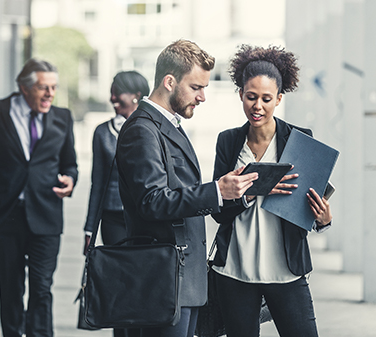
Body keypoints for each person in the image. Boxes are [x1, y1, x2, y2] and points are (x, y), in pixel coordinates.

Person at [116, 39, 259, 337]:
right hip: (164, 280)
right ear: (169, 81)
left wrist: (227, 190)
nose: (203, 97)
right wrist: (217, 192)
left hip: (182, 279)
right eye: (196, 87)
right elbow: (153, 201)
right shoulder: (142, 130)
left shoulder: (166, 125)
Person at [210, 44, 333, 337]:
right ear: (240, 94)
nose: (258, 106)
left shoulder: (300, 140)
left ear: (279, 98)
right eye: (251, 97)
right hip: (235, 271)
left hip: (286, 270)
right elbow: (217, 211)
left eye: (266, 99)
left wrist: (323, 219)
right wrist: (251, 192)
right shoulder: (228, 142)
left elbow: (310, 206)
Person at [0, 58, 78, 337]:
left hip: (46, 215)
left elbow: (69, 164)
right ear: (23, 87)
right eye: (43, 88)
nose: (50, 94)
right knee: (11, 288)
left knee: (42, 288)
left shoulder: (63, 117)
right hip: (5, 216)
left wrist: (70, 181)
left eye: (53, 88)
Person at [83, 71, 149, 337]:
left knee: (142, 282)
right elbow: (96, 182)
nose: (112, 97)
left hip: (145, 218)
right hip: (112, 220)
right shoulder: (102, 132)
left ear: (136, 96)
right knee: (119, 283)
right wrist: (89, 229)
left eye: (117, 91)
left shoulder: (151, 128)